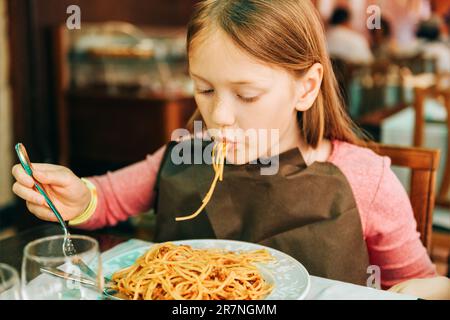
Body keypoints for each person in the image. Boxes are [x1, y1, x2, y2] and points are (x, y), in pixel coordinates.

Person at [12, 0, 443, 298]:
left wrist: (434, 288)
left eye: (248, 95)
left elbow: (422, 282)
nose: (219, 115)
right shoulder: (186, 154)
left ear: (306, 88)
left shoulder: (365, 179)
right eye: (203, 88)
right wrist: (77, 197)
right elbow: (105, 199)